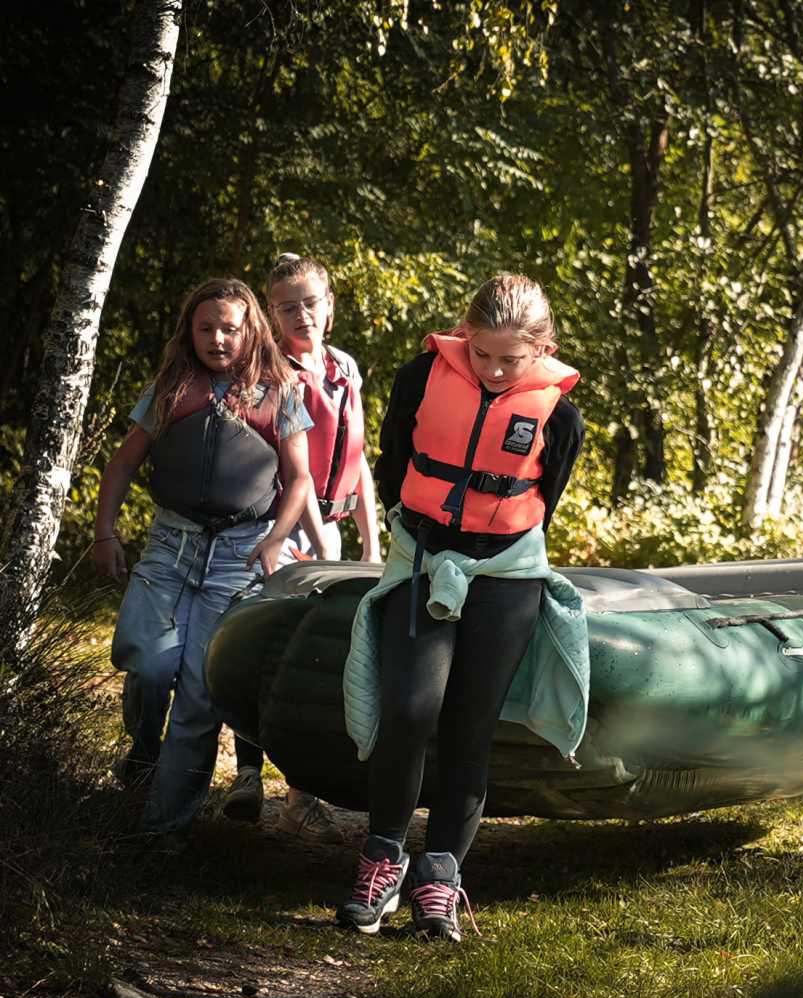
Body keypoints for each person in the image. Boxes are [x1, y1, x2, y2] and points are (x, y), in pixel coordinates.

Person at [335, 273, 587, 941]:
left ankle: (439, 881)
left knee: (470, 728)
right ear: (463, 337)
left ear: (542, 349)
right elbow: (394, 458)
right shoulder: (421, 377)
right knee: (411, 707)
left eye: (512, 359)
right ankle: (383, 859)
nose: (496, 370)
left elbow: (546, 496)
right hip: (422, 557)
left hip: (507, 573)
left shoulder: (560, 417)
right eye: (482, 355)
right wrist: (420, 529)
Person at [95, 278, 314, 838]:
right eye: (206, 327)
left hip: (238, 556)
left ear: (251, 331)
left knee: (198, 693)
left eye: (229, 329)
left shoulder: (280, 390)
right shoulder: (172, 385)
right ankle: (143, 757)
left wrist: (274, 541)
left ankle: (159, 832)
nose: (218, 339)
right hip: (171, 544)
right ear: (189, 330)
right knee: (148, 666)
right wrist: (105, 534)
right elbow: (121, 466)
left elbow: (299, 481)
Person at [221, 253, 379, 842]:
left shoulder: (344, 369)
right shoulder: (270, 374)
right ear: (271, 313)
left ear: (330, 305)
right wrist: (318, 537)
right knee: (273, 647)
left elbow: (357, 460)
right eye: (287, 307)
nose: (302, 315)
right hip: (290, 528)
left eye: (311, 303)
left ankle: (302, 794)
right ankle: (246, 774)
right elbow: (296, 474)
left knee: (326, 655)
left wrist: (369, 535)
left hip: (337, 527)